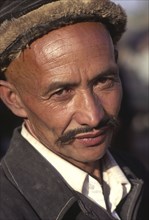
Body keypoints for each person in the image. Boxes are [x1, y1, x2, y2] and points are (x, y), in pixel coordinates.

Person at [0, 0, 148, 220]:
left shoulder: (135, 172)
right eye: (61, 92)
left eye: (104, 81)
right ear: (14, 100)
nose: (93, 116)